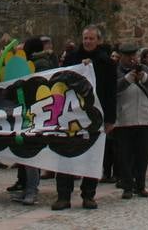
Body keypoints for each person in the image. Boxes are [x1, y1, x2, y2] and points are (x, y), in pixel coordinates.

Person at [52, 25, 117, 210]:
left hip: (95, 116)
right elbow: (60, 82)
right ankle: (63, 196)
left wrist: (111, 119)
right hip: (72, 115)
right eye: (86, 38)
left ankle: (89, 195)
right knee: (65, 156)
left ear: (98, 40)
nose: (88, 41)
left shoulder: (106, 63)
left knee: (92, 157)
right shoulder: (72, 59)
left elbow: (111, 93)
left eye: (91, 38)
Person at [114, 42, 148, 198]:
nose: (131, 59)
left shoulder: (146, 69)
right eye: (128, 56)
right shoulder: (116, 71)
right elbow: (112, 90)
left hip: (143, 119)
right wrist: (127, 80)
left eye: (133, 56)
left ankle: (140, 185)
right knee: (125, 156)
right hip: (124, 119)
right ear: (121, 56)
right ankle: (127, 186)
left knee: (142, 155)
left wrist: (144, 77)